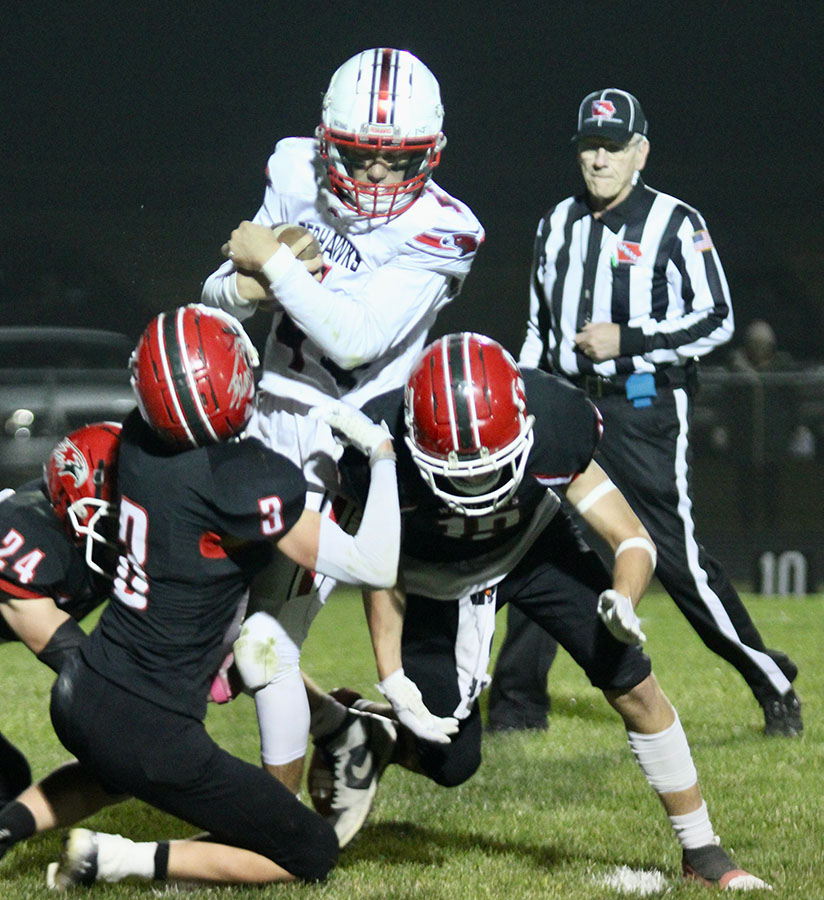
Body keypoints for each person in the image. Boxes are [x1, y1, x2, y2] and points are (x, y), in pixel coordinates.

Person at [302, 333, 769, 889]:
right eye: (457, 468)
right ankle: (369, 729)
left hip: (532, 550)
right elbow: (384, 571)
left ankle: (702, 849)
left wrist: (623, 596)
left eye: (489, 463)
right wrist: (392, 676)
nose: (476, 482)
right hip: (432, 579)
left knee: (633, 683)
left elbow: (633, 539)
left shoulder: (555, 415)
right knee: (454, 763)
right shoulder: (375, 447)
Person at [43, 304, 404, 889]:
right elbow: (376, 563)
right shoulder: (239, 480)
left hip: (80, 689)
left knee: (120, 767)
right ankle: (121, 859)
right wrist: (382, 458)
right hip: (152, 727)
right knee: (309, 851)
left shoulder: (137, 439)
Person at [200, 47, 483, 791]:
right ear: (328, 143)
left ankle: (275, 823)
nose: (377, 177)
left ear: (431, 155)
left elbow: (355, 338)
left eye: (398, 161)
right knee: (211, 621)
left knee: (268, 640)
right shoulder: (295, 169)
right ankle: (345, 734)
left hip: (342, 446)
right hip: (257, 417)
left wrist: (281, 271)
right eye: (359, 156)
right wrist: (250, 289)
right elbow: (219, 289)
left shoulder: (444, 230)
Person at [489, 88, 801, 738]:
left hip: (644, 408)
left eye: (612, 146)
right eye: (589, 146)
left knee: (675, 556)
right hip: (566, 407)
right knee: (536, 538)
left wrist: (628, 340)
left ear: (640, 151)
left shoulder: (676, 222)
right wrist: (524, 391)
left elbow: (717, 319)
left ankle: (770, 681)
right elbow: (537, 326)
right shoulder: (556, 223)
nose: (599, 159)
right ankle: (517, 710)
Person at [0, 423, 119, 823]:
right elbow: (81, 669)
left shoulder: (78, 534)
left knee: (9, 779)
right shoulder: (26, 536)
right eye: (114, 513)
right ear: (71, 499)